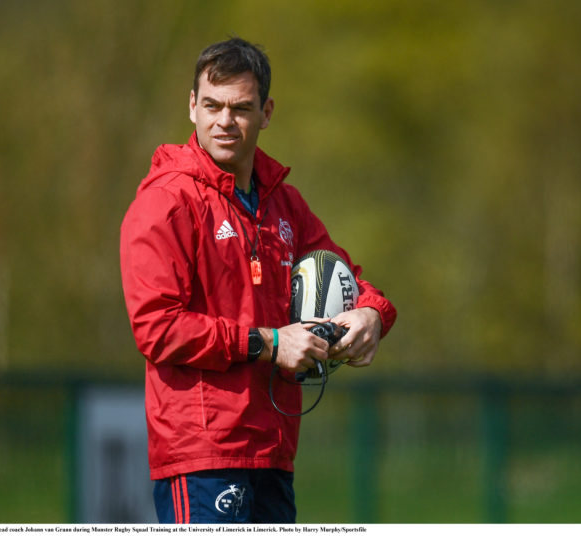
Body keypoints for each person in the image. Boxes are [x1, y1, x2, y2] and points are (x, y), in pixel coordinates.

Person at [120, 37, 396, 524]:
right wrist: (268, 343)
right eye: (212, 106)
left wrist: (373, 313)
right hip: (202, 453)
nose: (224, 121)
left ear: (266, 112)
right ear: (192, 107)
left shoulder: (284, 203)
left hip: (274, 449)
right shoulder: (165, 202)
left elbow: (350, 277)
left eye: (240, 108)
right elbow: (157, 328)